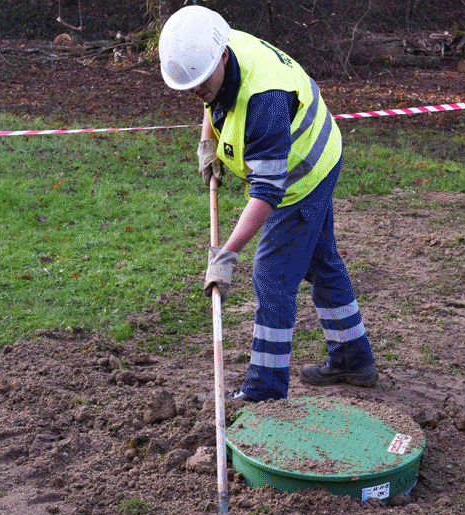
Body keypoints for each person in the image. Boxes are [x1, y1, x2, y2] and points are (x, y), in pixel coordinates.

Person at [159, 6, 376, 402]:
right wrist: (209, 142)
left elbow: (267, 193)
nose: (195, 91)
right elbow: (211, 97)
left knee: (272, 274)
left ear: (222, 58)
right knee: (320, 259)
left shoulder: (266, 102)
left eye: (200, 81)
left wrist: (226, 255)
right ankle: (352, 357)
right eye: (187, 85)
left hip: (303, 174)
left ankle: (265, 392)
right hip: (312, 154)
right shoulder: (216, 51)